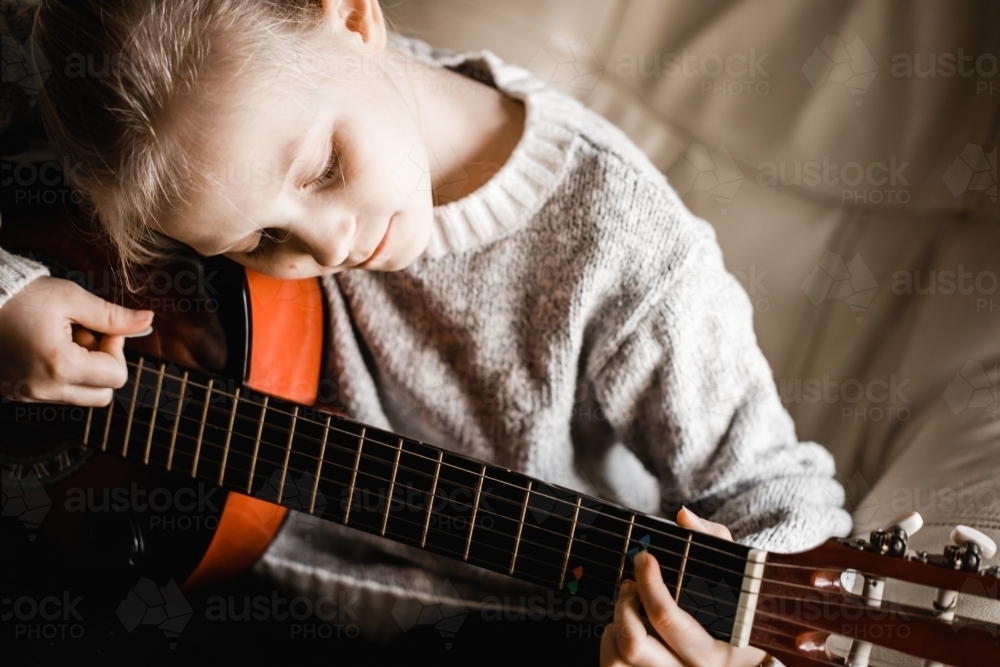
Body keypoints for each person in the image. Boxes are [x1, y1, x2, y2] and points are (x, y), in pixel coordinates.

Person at [0, 1, 853, 664]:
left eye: (326, 166)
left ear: (355, 16)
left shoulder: (620, 243)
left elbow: (783, 498)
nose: (327, 244)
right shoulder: (135, 114)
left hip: (507, 623)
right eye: (256, 243)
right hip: (222, 573)